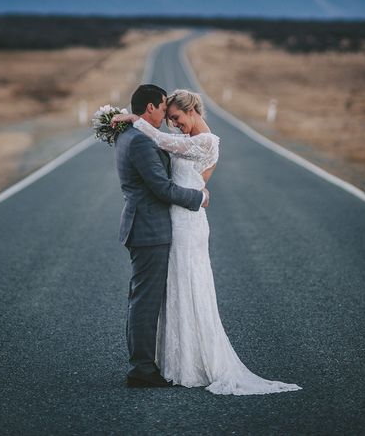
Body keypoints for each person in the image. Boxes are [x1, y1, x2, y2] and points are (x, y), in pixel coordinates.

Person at [113, 88, 302, 395]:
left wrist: (135, 120)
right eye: (167, 116)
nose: (172, 123)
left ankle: (187, 361)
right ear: (152, 108)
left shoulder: (205, 141)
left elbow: (162, 142)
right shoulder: (171, 139)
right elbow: (163, 157)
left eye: (176, 117)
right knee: (169, 292)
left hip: (186, 224)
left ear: (192, 111)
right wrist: (199, 196)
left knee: (187, 287)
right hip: (167, 221)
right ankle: (168, 361)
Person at [114, 84, 209, 388]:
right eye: (163, 106)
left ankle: (145, 363)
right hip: (149, 229)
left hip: (144, 225)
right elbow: (162, 189)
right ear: (151, 107)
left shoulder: (132, 135)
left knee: (142, 297)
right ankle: (141, 369)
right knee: (145, 301)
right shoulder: (140, 142)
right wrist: (200, 198)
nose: (166, 115)